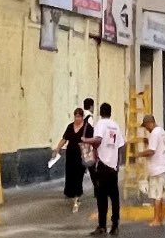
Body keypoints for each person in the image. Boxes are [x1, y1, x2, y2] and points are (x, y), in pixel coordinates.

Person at [85, 101, 125, 235]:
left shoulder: (100, 124)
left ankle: (102, 225)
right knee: (114, 197)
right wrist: (118, 164)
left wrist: (85, 140)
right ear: (110, 112)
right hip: (113, 166)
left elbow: (98, 140)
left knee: (102, 197)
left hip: (102, 164)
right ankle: (115, 225)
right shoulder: (116, 125)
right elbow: (120, 146)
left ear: (101, 112)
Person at [52, 108, 91, 213]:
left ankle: (77, 198)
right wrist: (57, 149)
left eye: (79, 116)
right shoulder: (70, 126)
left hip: (81, 156)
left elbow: (93, 141)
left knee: (78, 176)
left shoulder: (87, 128)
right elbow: (64, 139)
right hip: (70, 155)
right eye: (76, 116)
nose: (77, 119)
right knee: (70, 175)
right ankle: (71, 194)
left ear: (82, 117)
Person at [139, 114, 165, 229]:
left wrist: (139, 154)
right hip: (163, 167)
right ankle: (162, 218)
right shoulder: (161, 131)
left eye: (146, 126)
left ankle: (156, 219)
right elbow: (158, 146)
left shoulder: (154, 133)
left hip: (156, 169)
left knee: (156, 196)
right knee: (162, 195)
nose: (146, 128)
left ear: (149, 123)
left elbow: (151, 151)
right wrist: (148, 141)